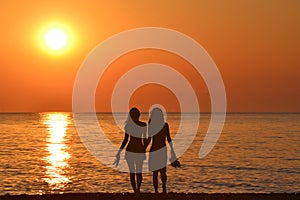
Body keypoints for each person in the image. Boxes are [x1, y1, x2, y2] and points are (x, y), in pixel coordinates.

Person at [113, 107, 147, 193]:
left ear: (138, 115)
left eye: (135, 114)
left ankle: (138, 189)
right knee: (132, 171)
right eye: (133, 114)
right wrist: (119, 152)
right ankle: (135, 190)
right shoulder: (128, 126)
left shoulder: (143, 125)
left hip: (139, 150)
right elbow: (125, 140)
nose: (134, 116)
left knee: (139, 171)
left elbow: (145, 139)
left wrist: (144, 149)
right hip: (131, 150)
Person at [145, 107, 179, 193]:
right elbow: (169, 139)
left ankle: (156, 190)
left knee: (155, 173)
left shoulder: (152, 126)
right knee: (163, 171)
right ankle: (164, 187)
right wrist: (172, 150)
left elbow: (149, 139)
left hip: (154, 150)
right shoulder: (165, 125)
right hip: (162, 150)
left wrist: (143, 149)